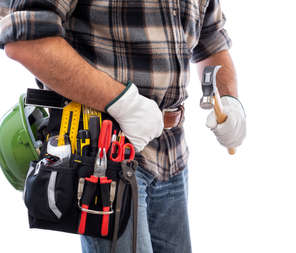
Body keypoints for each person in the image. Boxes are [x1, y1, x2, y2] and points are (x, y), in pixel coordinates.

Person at [0, 0, 246, 252]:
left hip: (172, 154)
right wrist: (124, 104)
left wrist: (229, 99)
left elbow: (211, 40)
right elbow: (25, 40)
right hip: (104, 157)